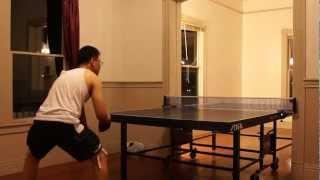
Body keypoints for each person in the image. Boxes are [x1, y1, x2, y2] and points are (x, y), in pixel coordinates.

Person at [23, 46, 111, 180]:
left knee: (32, 156)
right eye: (100, 61)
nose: (100, 65)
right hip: (65, 124)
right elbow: (101, 115)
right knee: (100, 156)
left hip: (40, 122)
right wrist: (106, 120)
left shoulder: (64, 75)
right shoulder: (93, 77)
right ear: (93, 60)